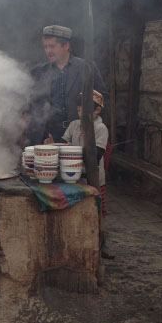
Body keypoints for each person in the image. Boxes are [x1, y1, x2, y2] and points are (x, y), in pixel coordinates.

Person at [45, 90, 113, 259]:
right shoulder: (75, 125)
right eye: (79, 109)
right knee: (78, 208)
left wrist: (71, 149)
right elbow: (64, 143)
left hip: (94, 177)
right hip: (74, 175)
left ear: (97, 110)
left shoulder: (100, 128)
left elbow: (95, 156)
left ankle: (100, 244)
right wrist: (54, 145)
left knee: (98, 210)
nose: (81, 112)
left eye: (85, 109)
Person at [25, 24, 108, 145]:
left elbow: (102, 98)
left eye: (52, 46)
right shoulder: (38, 71)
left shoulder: (86, 67)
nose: (48, 51)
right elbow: (30, 103)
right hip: (46, 136)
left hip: (77, 134)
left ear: (66, 45)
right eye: (46, 47)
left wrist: (91, 127)